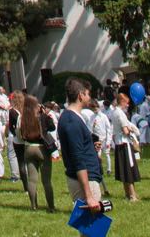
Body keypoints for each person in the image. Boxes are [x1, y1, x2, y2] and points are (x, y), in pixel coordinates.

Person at [58, 77, 104, 215]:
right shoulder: (71, 121)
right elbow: (77, 159)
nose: (89, 97)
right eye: (88, 94)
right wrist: (89, 196)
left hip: (88, 177)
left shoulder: (74, 117)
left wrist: (90, 147)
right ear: (80, 95)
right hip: (85, 181)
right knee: (92, 230)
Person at [20, 93, 56, 214]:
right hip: (42, 149)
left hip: (28, 148)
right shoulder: (41, 116)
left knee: (32, 180)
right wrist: (45, 113)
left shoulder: (23, 118)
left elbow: (19, 134)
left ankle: (33, 205)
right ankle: (51, 206)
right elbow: (52, 127)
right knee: (46, 181)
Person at [110, 88, 141, 201]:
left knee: (123, 169)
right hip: (124, 143)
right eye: (126, 103)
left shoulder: (113, 112)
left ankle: (128, 194)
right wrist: (132, 131)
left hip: (118, 143)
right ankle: (132, 195)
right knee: (128, 169)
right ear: (122, 102)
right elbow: (125, 130)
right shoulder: (120, 113)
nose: (127, 105)